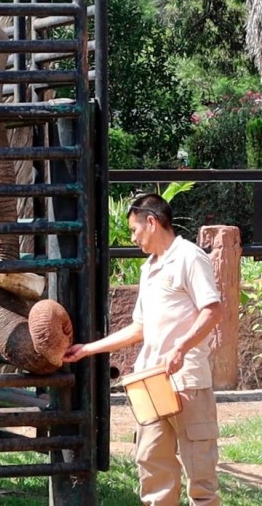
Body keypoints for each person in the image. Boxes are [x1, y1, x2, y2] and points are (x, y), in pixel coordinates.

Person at [64, 192, 223, 506]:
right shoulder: (148, 269)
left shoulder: (189, 257)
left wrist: (181, 347)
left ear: (152, 222)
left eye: (135, 229)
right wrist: (88, 349)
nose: (133, 237)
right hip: (150, 382)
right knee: (151, 465)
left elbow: (212, 309)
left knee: (200, 474)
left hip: (186, 379)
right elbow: (140, 328)